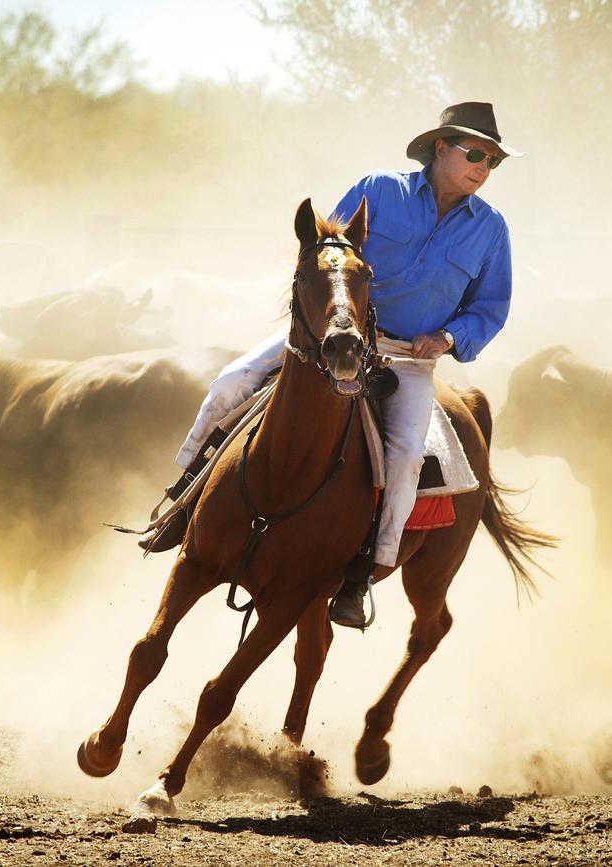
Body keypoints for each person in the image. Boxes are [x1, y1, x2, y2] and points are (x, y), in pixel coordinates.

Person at [140, 102, 522, 629]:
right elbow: (322, 251)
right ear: (441, 148)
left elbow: (490, 306)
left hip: (405, 355)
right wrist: (323, 318)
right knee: (230, 383)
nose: (483, 167)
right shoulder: (379, 189)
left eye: (493, 161)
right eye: (475, 153)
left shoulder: (491, 229)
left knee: (409, 452)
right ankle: (181, 503)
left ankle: (365, 568)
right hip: (329, 334)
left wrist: (452, 336)